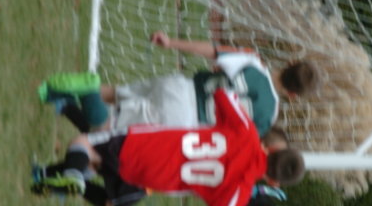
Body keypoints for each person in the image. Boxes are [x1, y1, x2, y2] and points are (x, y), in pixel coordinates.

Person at [32, 88, 305, 206]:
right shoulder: (239, 191)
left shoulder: (246, 131)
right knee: (96, 160)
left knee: (84, 144)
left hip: (147, 144)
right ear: (273, 182)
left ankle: (71, 174)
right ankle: (54, 175)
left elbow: (224, 94)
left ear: (273, 149)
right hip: (150, 178)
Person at [38, 32, 319, 136]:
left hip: (179, 86)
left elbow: (212, 51)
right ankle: (85, 89)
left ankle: (51, 93)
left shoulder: (253, 61)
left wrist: (171, 42)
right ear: (294, 95)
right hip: (183, 119)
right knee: (104, 131)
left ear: (289, 63)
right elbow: (231, 140)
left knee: (114, 94)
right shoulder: (268, 118)